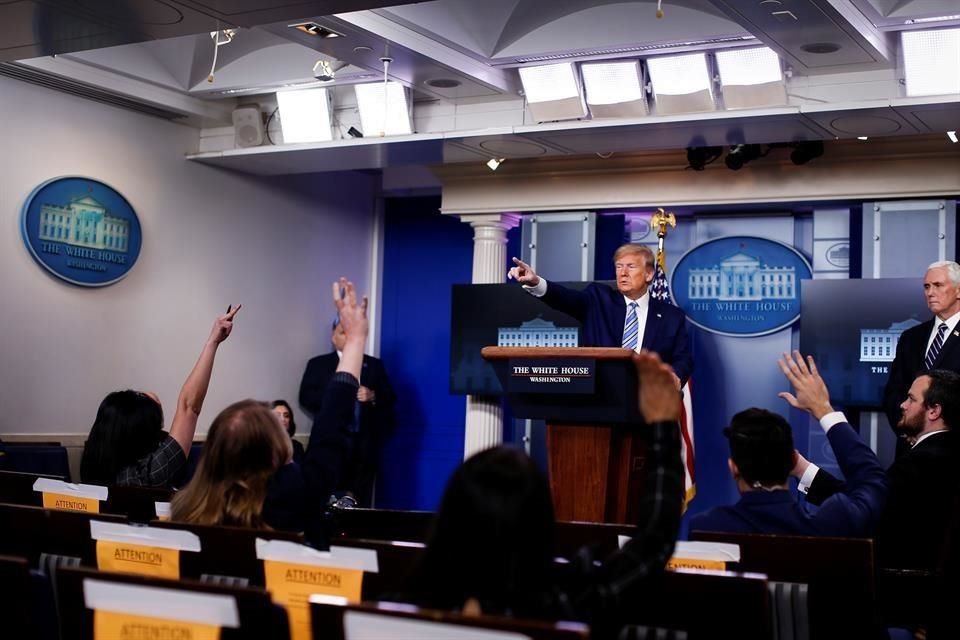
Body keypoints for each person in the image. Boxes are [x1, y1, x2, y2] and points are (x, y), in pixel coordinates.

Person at [403, 350, 685, 636]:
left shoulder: (403, 609)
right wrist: (662, 426)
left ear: (449, 518)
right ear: (540, 525)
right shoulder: (567, 606)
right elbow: (654, 540)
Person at [171, 279, 365, 545]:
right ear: (276, 449)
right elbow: (330, 428)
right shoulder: (296, 495)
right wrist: (355, 340)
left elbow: (187, 406)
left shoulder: (187, 506)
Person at [689, 351, 887, 537]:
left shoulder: (706, 528)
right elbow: (873, 481)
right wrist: (824, 410)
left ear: (733, 468)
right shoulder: (833, 524)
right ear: (793, 460)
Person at [796, 369, 960, 569]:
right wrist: (801, 468)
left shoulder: (922, 462)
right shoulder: (943, 454)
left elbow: (865, 506)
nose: (902, 404)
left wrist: (824, 411)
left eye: (911, 398)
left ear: (934, 410)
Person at [79, 306, 240, 487]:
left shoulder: (94, 466)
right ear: (140, 436)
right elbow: (189, 406)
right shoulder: (149, 474)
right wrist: (213, 342)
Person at [508, 244, 691, 386]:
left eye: (631, 267)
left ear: (649, 274)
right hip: (601, 399)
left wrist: (674, 376)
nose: (623, 273)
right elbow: (564, 297)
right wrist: (535, 282)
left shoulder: (671, 316)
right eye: (619, 267)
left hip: (649, 405)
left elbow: (682, 359)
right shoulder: (598, 299)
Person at [299, 312, 396, 507]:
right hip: (330, 442)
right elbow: (306, 397)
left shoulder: (374, 365)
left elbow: (390, 398)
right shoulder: (318, 364)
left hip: (364, 444)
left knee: (362, 496)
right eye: (343, 332)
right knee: (327, 495)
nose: (348, 337)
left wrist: (373, 395)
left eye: (352, 333)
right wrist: (338, 396)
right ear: (333, 336)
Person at [883, 261, 960, 453]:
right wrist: (908, 432)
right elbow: (894, 392)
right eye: (926, 286)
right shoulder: (910, 337)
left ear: (958, 291)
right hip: (910, 451)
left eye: (938, 285)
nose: (930, 292)